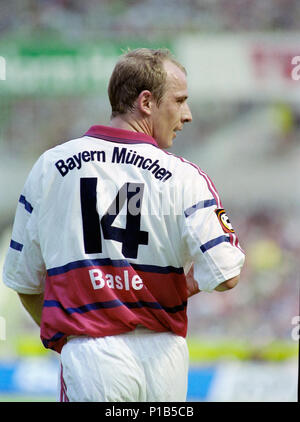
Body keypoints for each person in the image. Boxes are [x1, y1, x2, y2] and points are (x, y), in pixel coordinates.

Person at [2, 48, 245, 402]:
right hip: (166, 359)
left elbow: (23, 282)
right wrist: (185, 286)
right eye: (179, 100)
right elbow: (227, 273)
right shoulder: (185, 176)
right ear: (146, 102)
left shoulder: (50, 167)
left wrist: (75, 334)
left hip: (92, 358)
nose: (187, 115)